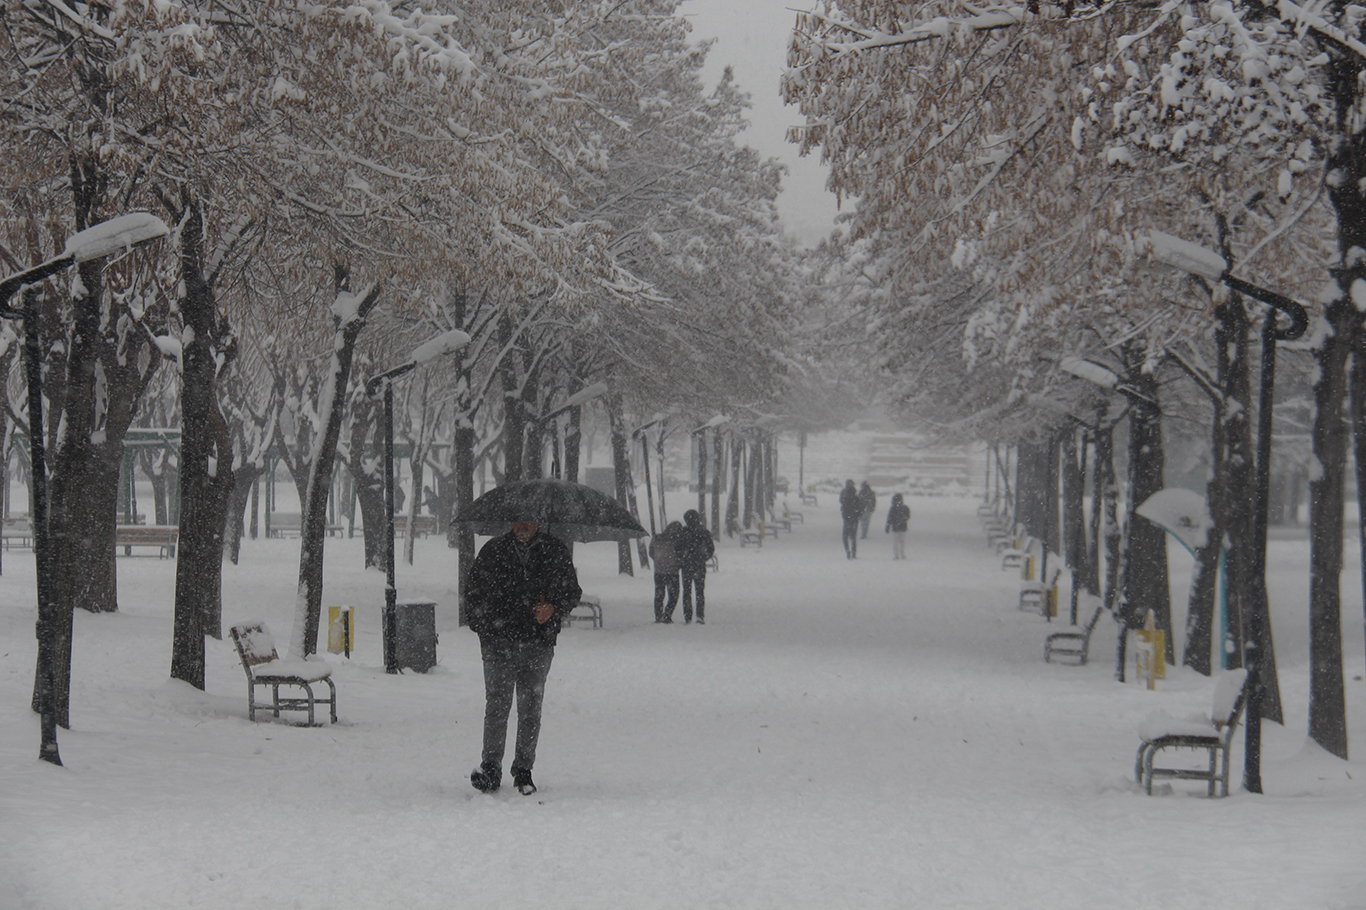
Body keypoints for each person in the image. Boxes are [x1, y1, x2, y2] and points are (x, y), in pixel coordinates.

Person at [464, 520, 582, 796]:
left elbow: (571, 593)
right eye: (518, 521)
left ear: (539, 522)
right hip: (498, 641)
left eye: (528, 521)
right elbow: (473, 594)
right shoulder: (493, 551)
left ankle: (523, 769)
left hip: (537, 641)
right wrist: (485, 628)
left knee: (530, 707)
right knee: (497, 704)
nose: (522, 527)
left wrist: (553, 608)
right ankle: (491, 768)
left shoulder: (554, 551)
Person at [677, 509, 715, 624]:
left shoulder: (683, 532)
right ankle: (700, 615)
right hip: (699, 564)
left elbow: (677, 548)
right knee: (699, 591)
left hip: (687, 565)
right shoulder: (704, 532)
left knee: (686, 591)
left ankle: (687, 615)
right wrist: (704, 557)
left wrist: (682, 557)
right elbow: (711, 548)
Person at [648, 521, 683, 623]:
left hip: (659, 571)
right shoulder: (677, 541)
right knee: (673, 595)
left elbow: (651, 552)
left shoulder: (657, 538)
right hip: (672, 572)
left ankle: (658, 615)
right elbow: (680, 555)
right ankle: (667, 614)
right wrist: (677, 563)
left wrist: (658, 561)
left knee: (659, 594)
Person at [885, 493, 911, 560]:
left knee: (895, 542)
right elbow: (908, 516)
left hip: (895, 527)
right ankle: (902, 554)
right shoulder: (905, 508)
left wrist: (887, 526)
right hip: (903, 527)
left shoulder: (893, 508)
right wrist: (903, 520)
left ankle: (896, 555)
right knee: (902, 542)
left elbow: (889, 518)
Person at [839, 479, 860, 559]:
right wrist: (856, 516)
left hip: (847, 520)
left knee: (845, 537)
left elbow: (843, 508)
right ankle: (853, 552)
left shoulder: (845, 498)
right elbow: (860, 509)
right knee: (853, 537)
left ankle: (847, 551)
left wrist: (845, 517)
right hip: (854, 520)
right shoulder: (856, 498)